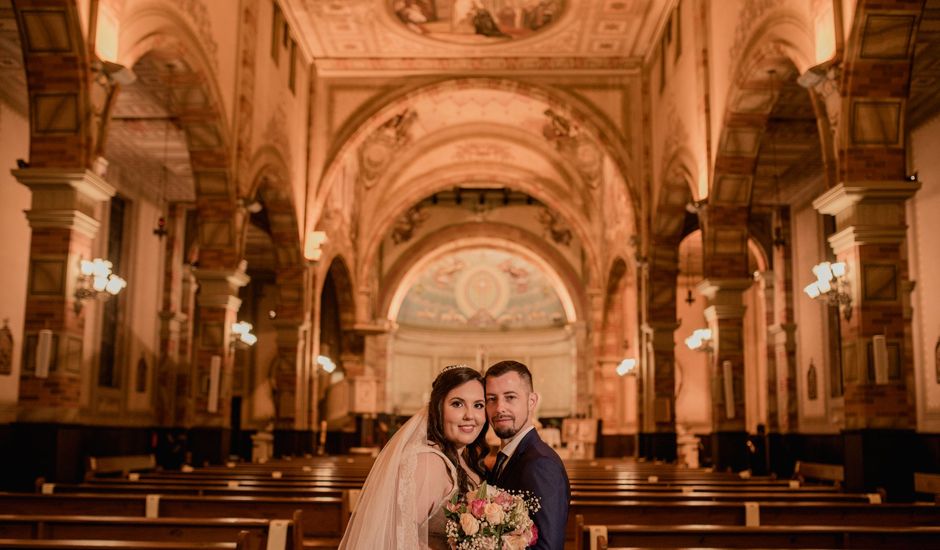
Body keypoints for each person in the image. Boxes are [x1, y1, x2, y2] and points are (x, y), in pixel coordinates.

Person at [338, 365, 488, 549]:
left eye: (478, 405)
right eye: (457, 404)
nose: (470, 415)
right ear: (437, 408)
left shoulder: (461, 458)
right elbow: (399, 538)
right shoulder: (429, 463)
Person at [485, 360, 570, 549]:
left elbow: (549, 547)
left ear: (532, 401)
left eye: (510, 397)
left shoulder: (541, 464)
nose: (499, 408)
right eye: (491, 399)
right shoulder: (506, 457)